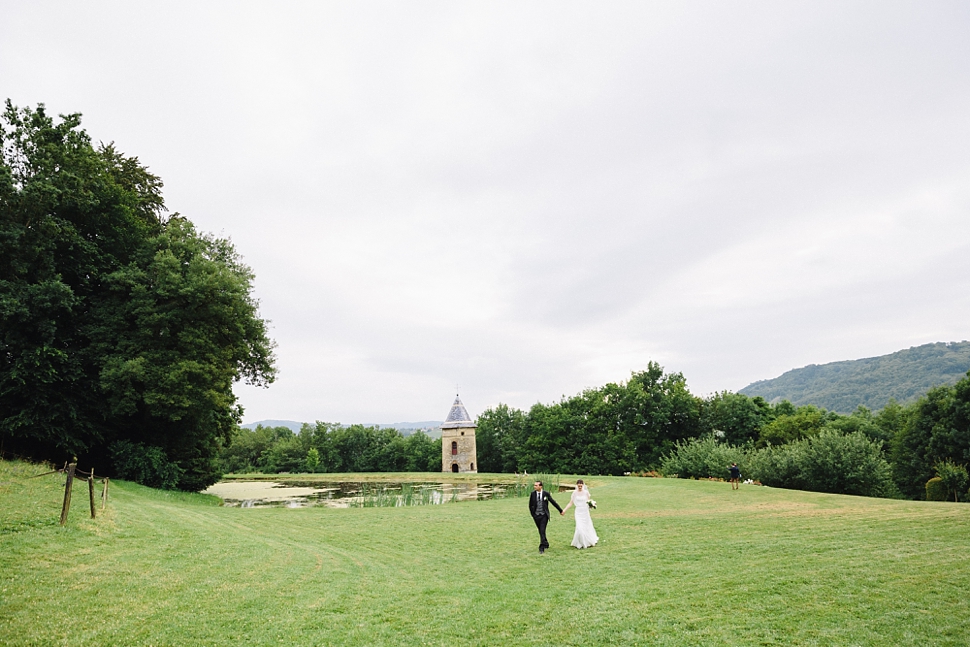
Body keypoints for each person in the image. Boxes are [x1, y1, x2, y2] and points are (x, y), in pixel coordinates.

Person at [561, 479, 599, 549]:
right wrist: (564, 510)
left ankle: (587, 541)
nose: (580, 487)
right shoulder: (574, 493)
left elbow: (588, 501)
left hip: (585, 511)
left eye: (581, 486)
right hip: (578, 511)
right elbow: (570, 503)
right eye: (579, 486)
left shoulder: (586, 493)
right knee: (579, 527)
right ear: (577, 486)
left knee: (586, 526)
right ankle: (579, 542)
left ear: (583, 485)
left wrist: (592, 505)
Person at [529, 480, 562, 554]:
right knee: (540, 531)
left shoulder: (546, 494)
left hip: (544, 515)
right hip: (536, 515)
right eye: (534, 485)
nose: (534, 486)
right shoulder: (533, 494)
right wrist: (533, 514)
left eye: (536, 485)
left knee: (542, 530)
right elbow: (530, 505)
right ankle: (546, 543)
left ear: (541, 486)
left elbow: (553, 502)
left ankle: (542, 547)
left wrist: (560, 510)